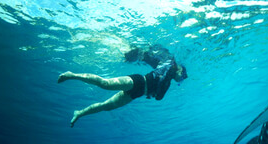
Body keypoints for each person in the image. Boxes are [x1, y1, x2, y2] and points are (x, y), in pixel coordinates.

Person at [58, 44, 187, 127]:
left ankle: (79, 113)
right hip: (138, 81)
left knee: (106, 106)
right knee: (105, 84)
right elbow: (165, 72)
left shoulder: (168, 81)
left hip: (137, 93)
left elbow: (159, 97)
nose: (179, 80)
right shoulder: (170, 66)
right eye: (181, 77)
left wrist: (165, 83)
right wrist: (172, 70)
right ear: (180, 70)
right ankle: (72, 75)